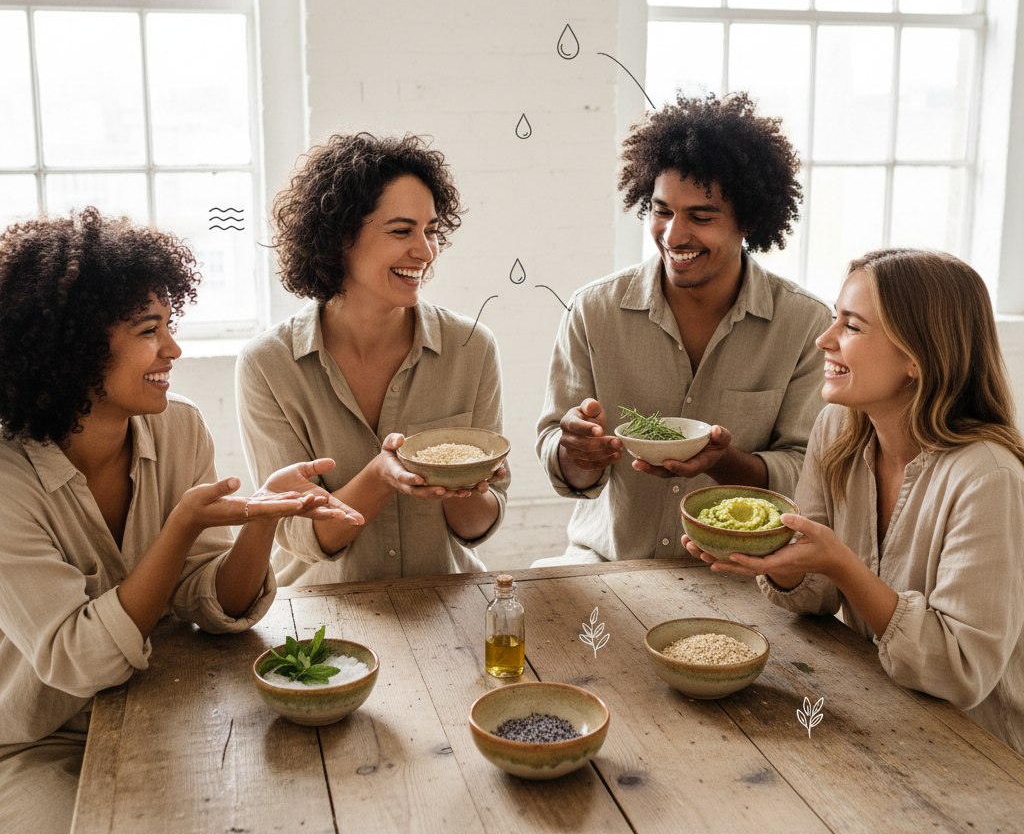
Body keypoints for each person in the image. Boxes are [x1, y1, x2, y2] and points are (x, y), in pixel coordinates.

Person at [0, 209, 363, 834]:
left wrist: (260, 518)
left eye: (170, 325)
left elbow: (207, 603)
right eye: (149, 330)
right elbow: (77, 659)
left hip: (159, 709)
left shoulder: (180, 427)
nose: (173, 348)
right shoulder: (8, 478)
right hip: (38, 741)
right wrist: (180, 528)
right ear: (74, 347)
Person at [684, 248, 1024, 754]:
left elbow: (961, 672)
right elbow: (816, 598)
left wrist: (843, 565)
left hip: (978, 750)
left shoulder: (988, 478)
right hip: (880, 708)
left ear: (916, 357)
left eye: (852, 326)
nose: (824, 340)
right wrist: (777, 562)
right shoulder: (838, 429)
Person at [535, 92, 831, 564]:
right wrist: (576, 453)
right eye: (662, 211)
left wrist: (726, 463)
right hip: (607, 564)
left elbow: (809, 475)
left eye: (701, 216)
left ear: (747, 221)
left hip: (741, 574)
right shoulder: (593, 310)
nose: (673, 236)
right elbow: (557, 450)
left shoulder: (807, 324)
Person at [236, 131, 509, 586]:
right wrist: (381, 477)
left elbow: (478, 528)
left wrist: (464, 484)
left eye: (431, 230)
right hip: (322, 617)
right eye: (401, 231)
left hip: (445, 600)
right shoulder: (268, 365)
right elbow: (299, 535)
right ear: (339, 237)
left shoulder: (472, 347)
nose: (425, 251)